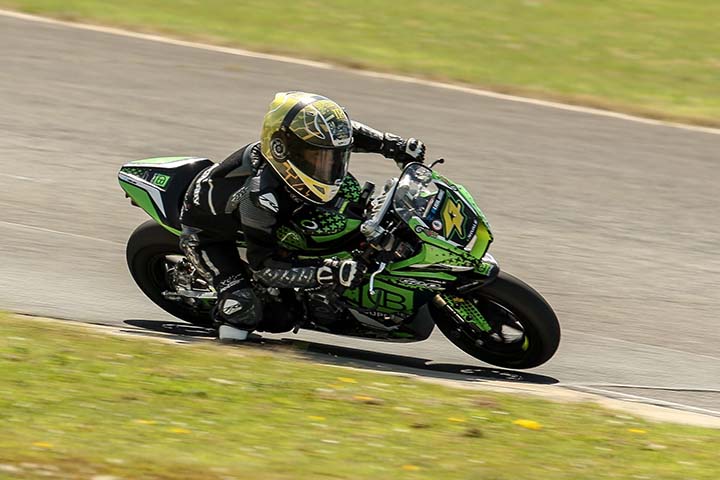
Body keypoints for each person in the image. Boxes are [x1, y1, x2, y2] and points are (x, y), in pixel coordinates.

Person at [179, 91, 425, 341]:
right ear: (283, 149)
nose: (329, 166)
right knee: (254, 311)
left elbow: (348, 135)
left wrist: (391, 144)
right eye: (318, 158)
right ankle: (228, 327)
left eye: (333, 158)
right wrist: (326, 273)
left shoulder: (290, 165)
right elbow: (263, 266)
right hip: (208, 236)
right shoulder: (261, 198)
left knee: (349, 202)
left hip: (279, 211)